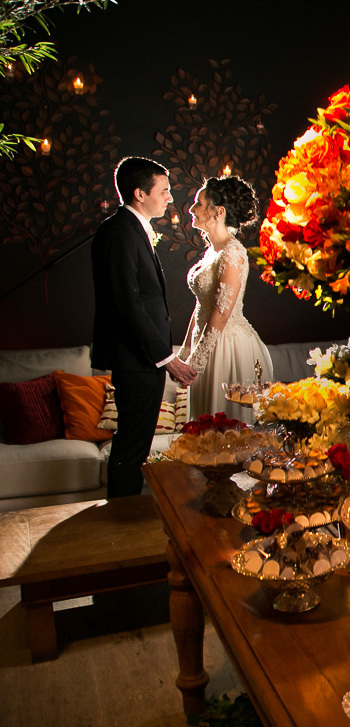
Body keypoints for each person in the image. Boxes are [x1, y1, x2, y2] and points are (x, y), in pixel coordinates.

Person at [92, 156, 197, 498]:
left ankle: (124, 516)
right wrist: (166, 358)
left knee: (136, 443)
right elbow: (129, 303)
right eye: (164, 191)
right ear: (139, 193)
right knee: (132, 446)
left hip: (141, 358)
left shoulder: (131, 228)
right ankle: (121, 521)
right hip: (134, 358)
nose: (169, 198)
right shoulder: (119, 232)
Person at [178, 176, 274, 422]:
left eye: (198, 203)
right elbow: (202, 307)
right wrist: (185, 353)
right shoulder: (213, 251)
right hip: (208, 342)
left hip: (227, 347)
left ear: (217, 212)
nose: (191, 209)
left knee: (224, 431)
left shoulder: (233, 252)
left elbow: (221, 313)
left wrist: (196, 362)